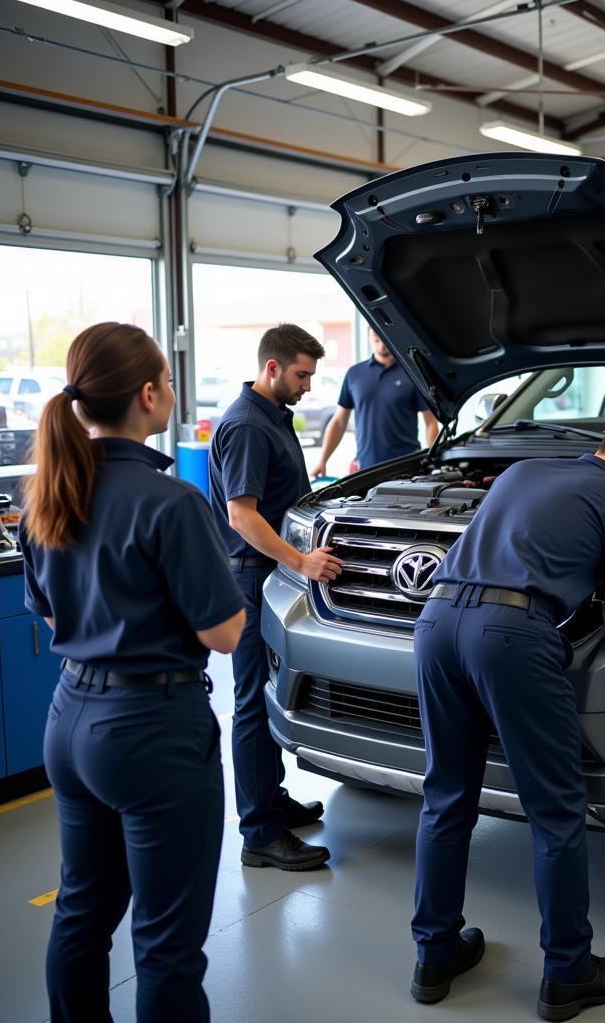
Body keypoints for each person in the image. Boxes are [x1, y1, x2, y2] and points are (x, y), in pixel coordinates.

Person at [20, 322, 247, 1022]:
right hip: (152, 733)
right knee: (167, 942)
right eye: (170, 383)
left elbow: (54, 618)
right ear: (149, 394)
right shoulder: (172, 501)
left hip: (69, 723)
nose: (174, 393)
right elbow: (225, 633)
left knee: (82, 913)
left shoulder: (48, 495)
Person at [409, 425, 605, 1021]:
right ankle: (569, 973)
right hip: (510, 635)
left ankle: (434, 955)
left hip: (436, 621)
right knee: (554, 810)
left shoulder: (523, 470)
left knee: (445, 796)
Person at [208, 323, 344, 871]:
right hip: (249, 578)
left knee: (269, 693)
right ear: (272, 368)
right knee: (250, 703)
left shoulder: (271, 418)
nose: (308, 386)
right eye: (301, 374)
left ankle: (271, 800)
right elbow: (243, 516)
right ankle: (259, 834)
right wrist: (302, 561)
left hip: (269, 576)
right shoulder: (245, 426)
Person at [311, 330, 438, 478]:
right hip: (366, 469)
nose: (380, 338)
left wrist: (431, 460)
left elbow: (431, 423)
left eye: (383, 333)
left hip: (407, 468)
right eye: (375, 333)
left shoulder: (412, 373)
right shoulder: (354, 374)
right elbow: (339, 422)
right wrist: (322, 460)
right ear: (369, 336)